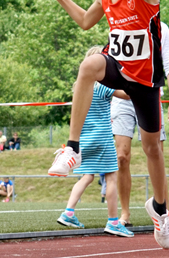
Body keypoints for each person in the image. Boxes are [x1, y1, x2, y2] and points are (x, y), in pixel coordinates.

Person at [36, 0, 169, 249]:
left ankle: (159, 210)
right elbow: (86, 22)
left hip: (144, 81)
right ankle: (72, 148)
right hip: (119, 71)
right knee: (89, 64)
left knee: (152, 149)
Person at [111, 21, 169, 234]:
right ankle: (124, 214)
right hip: (123, 98)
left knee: (156, 153)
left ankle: (165, 216)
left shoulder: (160, 27)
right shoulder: (122, 20)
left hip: (149, 95)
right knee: (122, 156)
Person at [56, 46, 133, 237]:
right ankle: (113, 221)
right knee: (111, 176)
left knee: (87, 176)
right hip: (103, 138)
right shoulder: (104, 86)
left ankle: (68, 212)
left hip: (84, 139)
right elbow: (127, 95)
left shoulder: (80, 86)